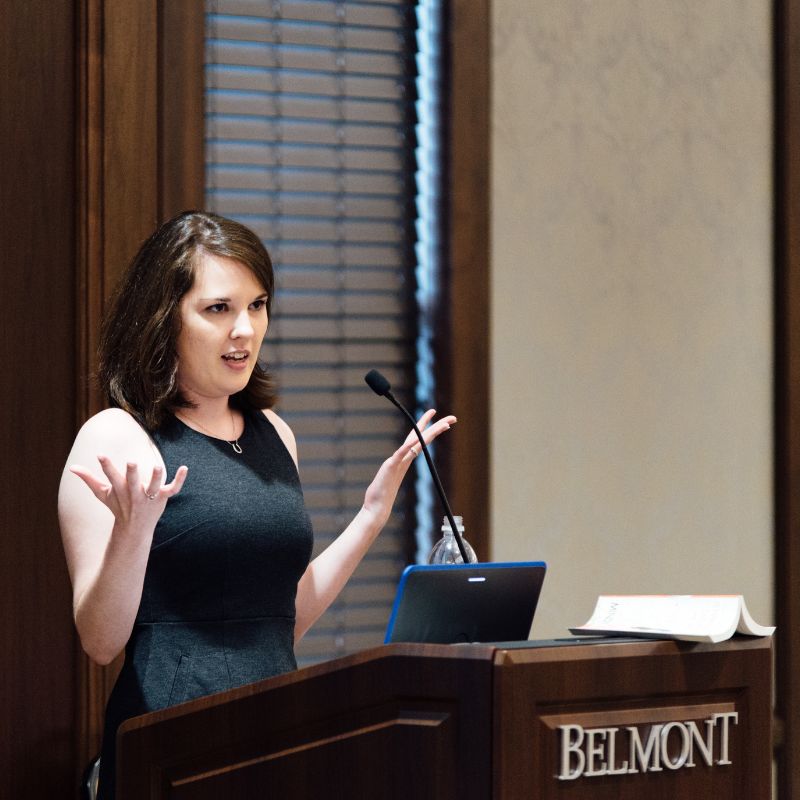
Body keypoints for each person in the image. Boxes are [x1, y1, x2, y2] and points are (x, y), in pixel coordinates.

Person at [57, 210, 455, 799]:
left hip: (274, 733)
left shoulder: (274, 432)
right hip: (172, 744)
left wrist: (372, 514)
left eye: (258, 305)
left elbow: (277, 622)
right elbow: (99, 641)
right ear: (165, 319)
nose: (244, 329)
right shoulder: (116, 436)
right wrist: (133, 533)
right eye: (219, 309)